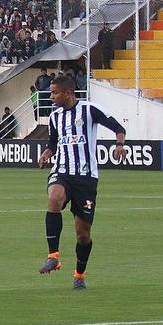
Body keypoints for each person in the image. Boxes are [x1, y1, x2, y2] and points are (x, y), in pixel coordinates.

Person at [37, 75, 126, 290]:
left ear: (67, 93)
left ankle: (79, 274)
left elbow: (117, 127)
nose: (51, 97)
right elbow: (53, 144)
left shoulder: (90, 109)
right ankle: (53, 255)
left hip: (86, 177)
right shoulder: (55, 117)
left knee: (83, 234)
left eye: (54, 92)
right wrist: (46, 154)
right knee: (54, 198)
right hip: (62, 170)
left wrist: (120, 145)